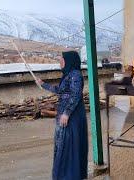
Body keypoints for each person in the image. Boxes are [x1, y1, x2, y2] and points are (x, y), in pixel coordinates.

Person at [36, 51, 88, 180]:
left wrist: (66, 113)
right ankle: (64, 175)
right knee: (63, 144)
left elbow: (75, 95)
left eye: (62, 59)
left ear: (69, 61)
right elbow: (60, 91)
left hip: (72, 115)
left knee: (70, 144)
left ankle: (71, 176)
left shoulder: (75, 75)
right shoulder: (68, 75)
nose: (60, 62)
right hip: (65, 114)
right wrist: (43, 84)